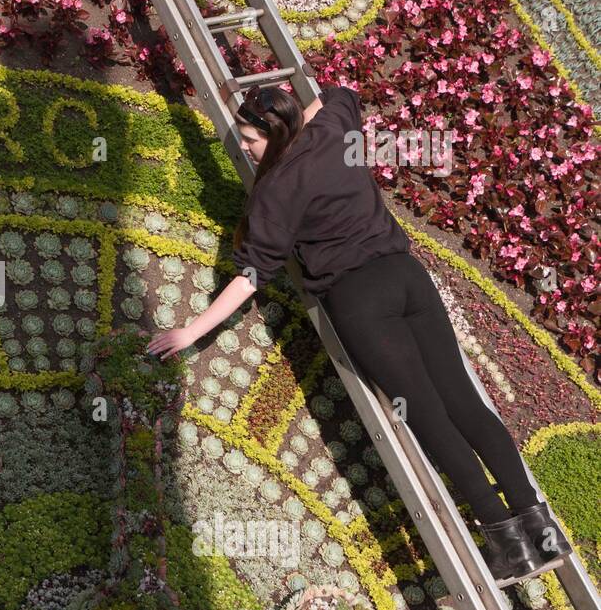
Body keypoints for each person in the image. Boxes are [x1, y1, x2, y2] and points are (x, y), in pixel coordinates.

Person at [146, 83, 570, 583]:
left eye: (250, 139)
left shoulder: (275, 190)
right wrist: (291, 113)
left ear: (272, 135)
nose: (245, 147)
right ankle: (542, 533)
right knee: (466, 404)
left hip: (360, 299)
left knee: (431, 417)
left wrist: (192, 331)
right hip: (407, 277)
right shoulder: (330, 131)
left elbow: (252, 275)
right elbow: (338, 92)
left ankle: (506, 543)